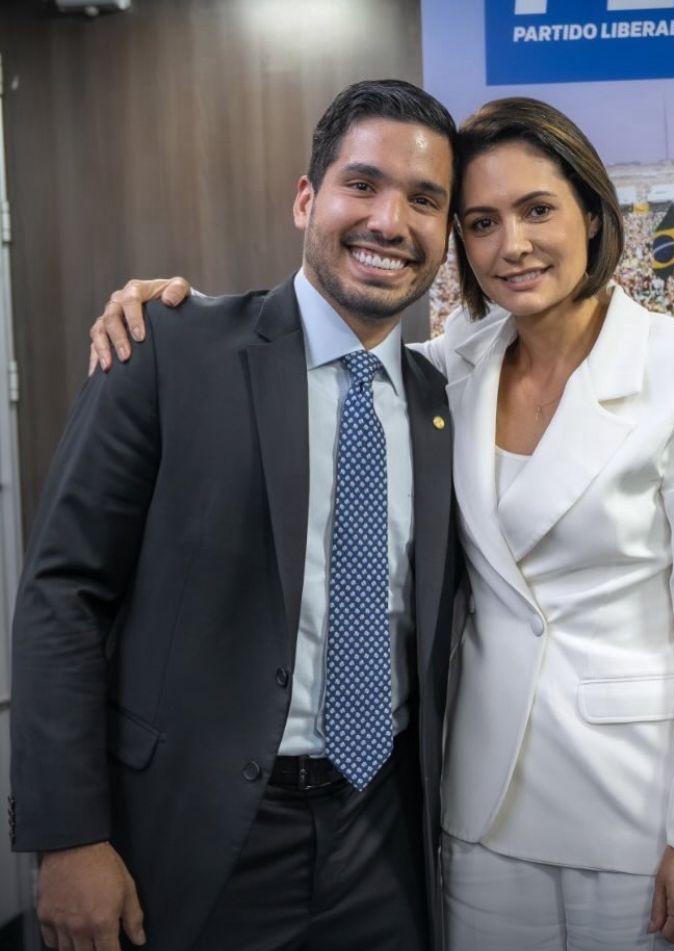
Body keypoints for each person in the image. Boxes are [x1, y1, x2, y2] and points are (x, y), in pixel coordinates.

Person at [89, 96, 674, 950]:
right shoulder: (454, 366)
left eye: (538, 210)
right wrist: (174, 312)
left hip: (635, 802)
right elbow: (316, 347)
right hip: (474, 806)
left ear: (593, 216)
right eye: (481, 222)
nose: (510, 244)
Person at [10, 79, 463, 951]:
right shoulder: (167, 348)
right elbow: (62, 595)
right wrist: (68, 834)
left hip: (386, 842)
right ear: (307, 198)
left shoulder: (444, 403)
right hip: (190, 837)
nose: (390, 222)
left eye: (424, 201)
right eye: (361, 185)